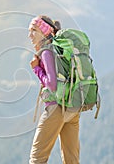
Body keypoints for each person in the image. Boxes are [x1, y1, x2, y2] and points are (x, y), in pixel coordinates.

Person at [28, 15, 80, 164]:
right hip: (72, 108)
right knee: (72, 160)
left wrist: (36, 68)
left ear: (44, 32)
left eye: (33, 30)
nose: (29, 35)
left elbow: (51, 84)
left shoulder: (47, 52)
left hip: (56, 108)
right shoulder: (60, 50)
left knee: (37, 159)